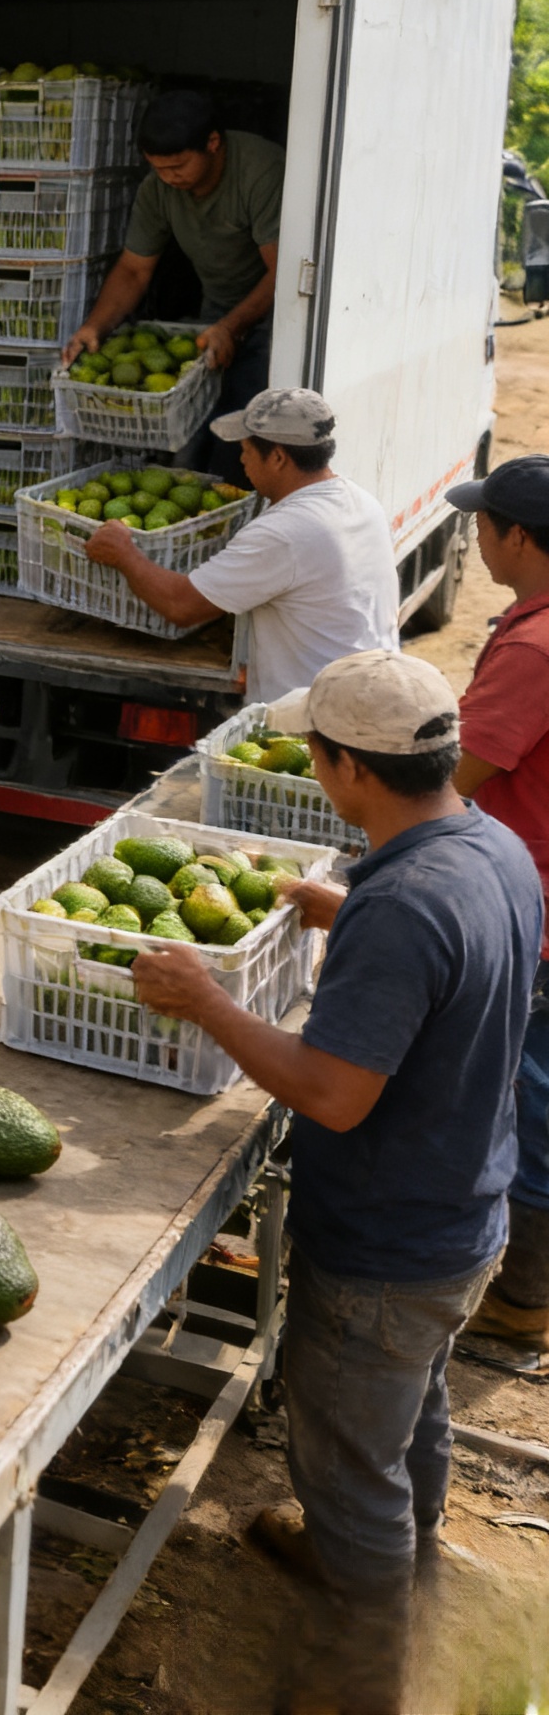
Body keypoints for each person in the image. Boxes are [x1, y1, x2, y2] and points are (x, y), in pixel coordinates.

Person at [131, 650, 538, 1711]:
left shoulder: (402, 904)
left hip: (384, 1243)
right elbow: (449, 967)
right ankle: (403, 1574)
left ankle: (359, 1674)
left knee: (347, 1458)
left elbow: (334, 1091)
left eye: (315, 753)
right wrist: (330, 905)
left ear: (348, 768)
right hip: (462, 1211)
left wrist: (207, 1001)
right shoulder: (491, 845)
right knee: (413, 1413)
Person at [82, 388, 399, 702]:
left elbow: (181, 606)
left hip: (318, 716)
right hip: (365, 694)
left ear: (277, 457)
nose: (242, 459)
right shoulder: (361, 501)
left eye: (246, 449)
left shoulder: (282, 533)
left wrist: (124, 554)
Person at [442, 455, 549, 1353]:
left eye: (483, 524)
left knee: (530, 1091)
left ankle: (522, 1301)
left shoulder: (531, 648)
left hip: (536, 902)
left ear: (517, 537)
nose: (474, 537)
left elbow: (454, 782)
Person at [66, 88, 283, 479]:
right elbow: (134, 269)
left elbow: (283, 270)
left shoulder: (260, 171)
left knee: (244, 428)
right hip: (215, 310)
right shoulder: (159, 188)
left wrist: (234, 327)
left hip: (275, 313)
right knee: (193, 430)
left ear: (213, 144)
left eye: (178, 167)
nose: (168, 178)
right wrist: (94, 327)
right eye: (158, 168)